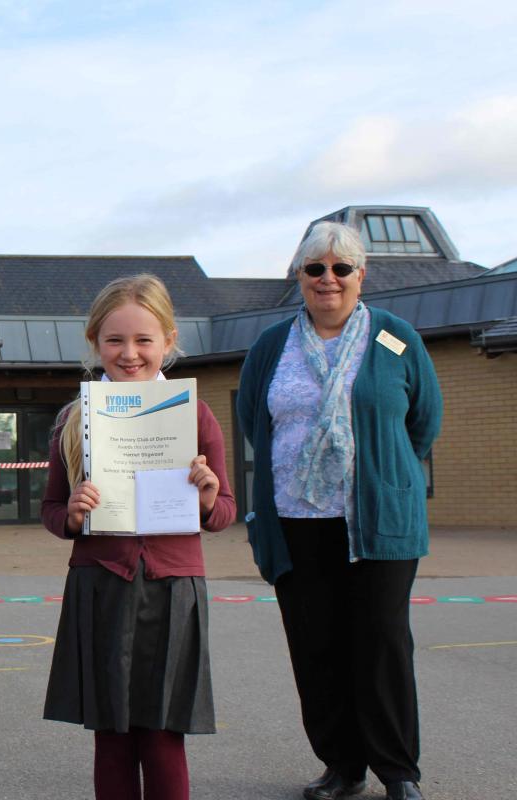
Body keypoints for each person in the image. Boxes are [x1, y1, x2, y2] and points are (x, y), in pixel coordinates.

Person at [237, 222, 441, 800]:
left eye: (341, 268)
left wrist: (381, 472)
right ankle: (343, 767)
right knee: (316, 646)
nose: (329, 279)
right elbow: (257, 420)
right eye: (315, 269)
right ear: (299, 277)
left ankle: (398, 772)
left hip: (377, 522)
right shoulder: (271, 346)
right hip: (297, 522)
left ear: (361, 275)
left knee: (382, 644)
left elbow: (423, 421)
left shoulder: (395, 338)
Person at [41, 275, 236, 800]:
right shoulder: (72, 418)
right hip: (100, 584)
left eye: (144, 340)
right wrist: (76, 515)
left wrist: (205, 497)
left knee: (163, 734)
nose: (129, 354)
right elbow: (52, 511)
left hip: (173, 588)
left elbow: (224, 513)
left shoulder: (194, 414)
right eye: (115, 340)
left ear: (169, 342)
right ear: (94, 343)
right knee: (112, 736)